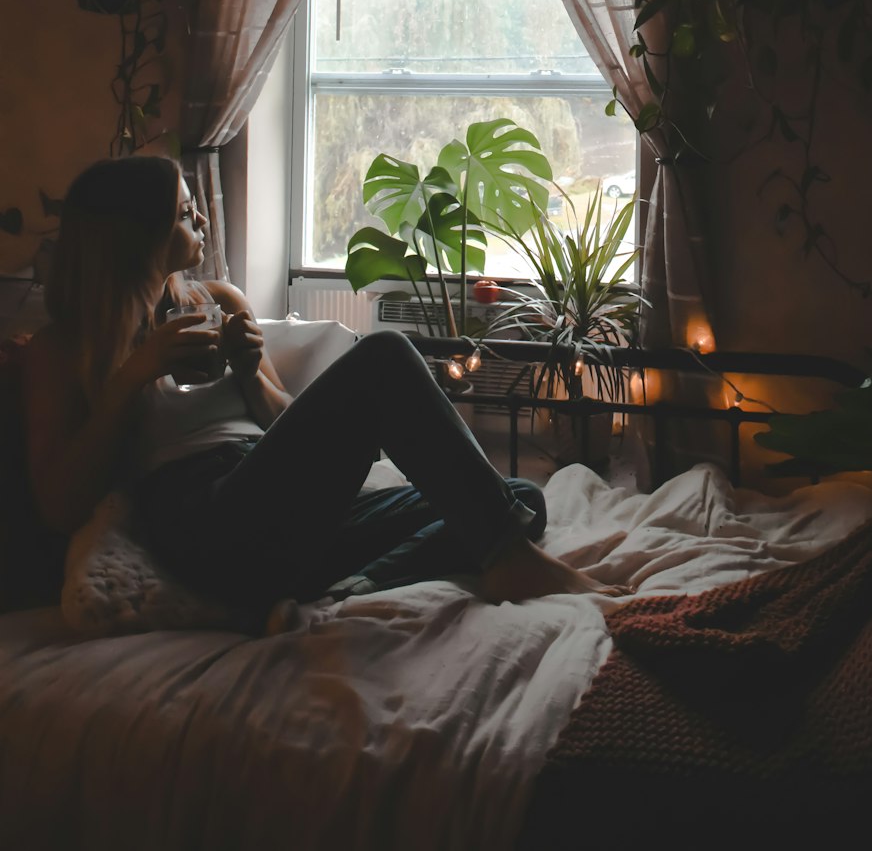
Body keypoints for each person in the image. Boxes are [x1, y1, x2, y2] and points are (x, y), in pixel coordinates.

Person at [23, 155, 631, 625]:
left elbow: (280, 419)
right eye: (185, 213)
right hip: (204, 521)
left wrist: (248, 374)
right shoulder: (67, 347)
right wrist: (135, 373)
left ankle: (344, 593)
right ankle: (506, 560)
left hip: (273, 496)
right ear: (138, 236)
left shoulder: (218, 302)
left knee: (517, 497)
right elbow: (58, 505)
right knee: (386, 354)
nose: (202, 218)